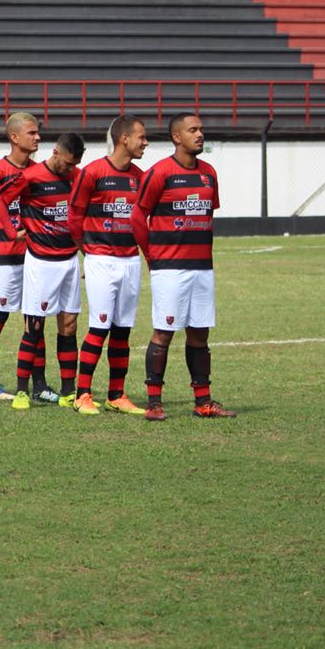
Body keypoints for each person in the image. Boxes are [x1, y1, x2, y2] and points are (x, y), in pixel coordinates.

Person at [132, 113, 237, 421]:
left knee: (199, 335)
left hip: (202, 267)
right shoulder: (160, 173)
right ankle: (154, 403)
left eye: (201, 129)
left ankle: (203, 401)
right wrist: (151, 256)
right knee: (163, 333)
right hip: (170, 268)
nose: (200, 134)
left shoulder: (209, 173)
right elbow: (138, 217)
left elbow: (207, 215)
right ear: (177, 137)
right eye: (193, 130)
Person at [0, 132, 86, 410]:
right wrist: (11, 231)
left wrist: (87, 254)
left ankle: (69, 392)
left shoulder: (78, 177)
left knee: (69, 327)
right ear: (56, 153)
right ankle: (22, 391)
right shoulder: (31, 176)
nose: (70, 169)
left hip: (69, 260)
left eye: (74, 165)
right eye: (67, 163)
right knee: (34, 326)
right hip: (41, 262)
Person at [67, 114, 149, 416]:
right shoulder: (92, 173)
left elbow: (142, 221)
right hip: (101, 259)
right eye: (141, 136)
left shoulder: (140, 176)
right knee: (98, 327)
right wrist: (86, 252)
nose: (146, 142)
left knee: (123, 329)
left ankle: (116, 394)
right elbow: (74, 217)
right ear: (123, 139)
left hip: (130, 261)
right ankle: (82, 394)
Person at [0, 111, 40, 405]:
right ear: (14, 137)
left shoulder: (39, 172)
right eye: (31, 132)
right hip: (4, 259)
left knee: (36, 322)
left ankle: (38, 385)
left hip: (34, 259)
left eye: (37, 132)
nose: (37, 137)